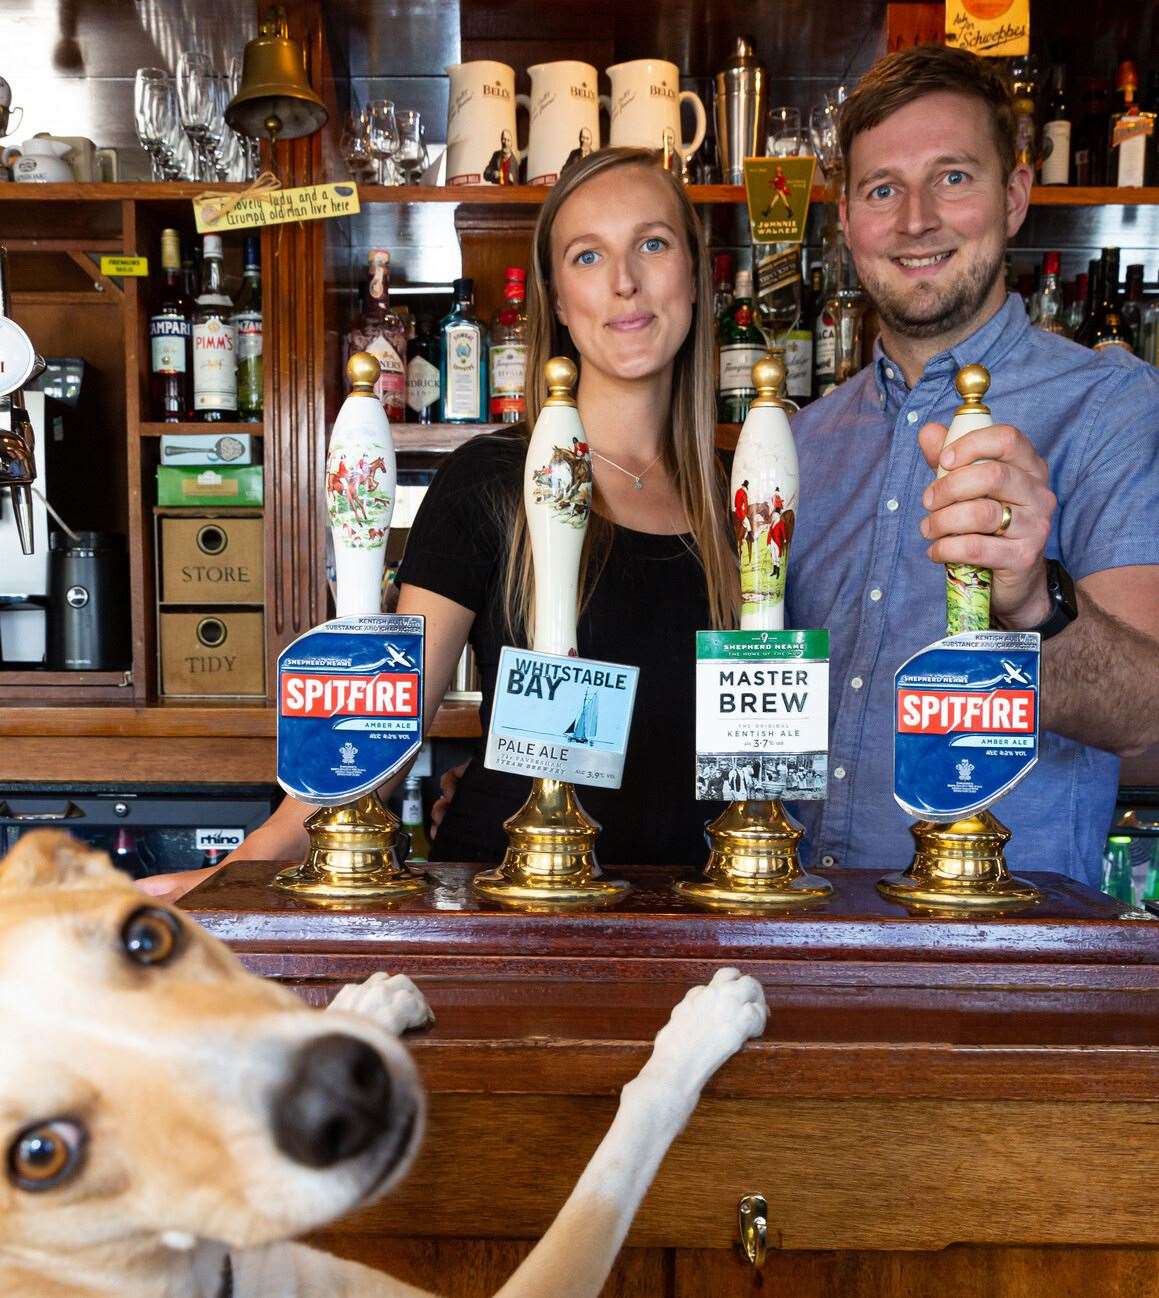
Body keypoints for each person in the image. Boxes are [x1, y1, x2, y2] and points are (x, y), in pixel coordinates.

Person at [144, 147, 736, 898]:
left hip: (704, 907)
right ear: (556, 300)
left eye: (652, 243)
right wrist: (235, 875)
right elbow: (385, 726)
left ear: (695, 274)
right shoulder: (490, 481)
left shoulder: (743, 499)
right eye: (589, 255)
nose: (625, 280)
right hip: (511, 906)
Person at [787, 44, 1159, 887]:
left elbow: (1145, 712)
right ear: (845, 220)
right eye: (882, 190)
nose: (915, 219)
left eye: (951, 178)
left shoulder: (1108, 404)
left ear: (1015, 196)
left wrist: (1033, 602)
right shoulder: (803, 441)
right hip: (797, 934)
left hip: (1006, 958)